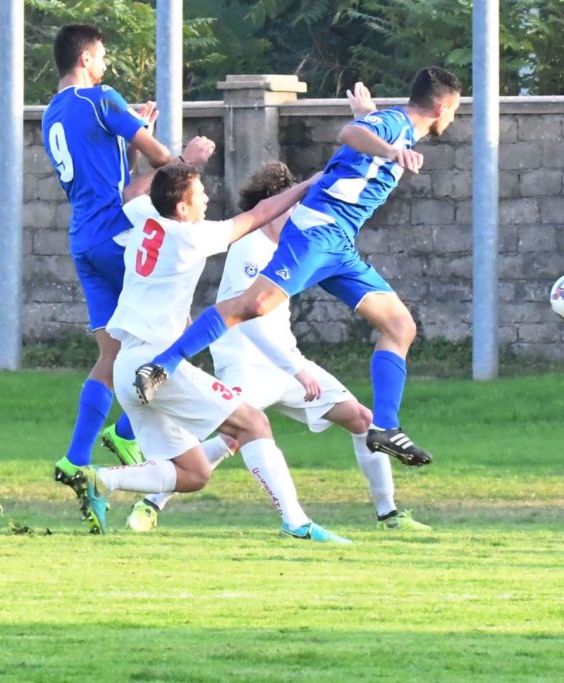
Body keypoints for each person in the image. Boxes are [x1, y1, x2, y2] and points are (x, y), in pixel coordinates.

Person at [132, 67, 463, 468]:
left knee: (400, 326)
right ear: (443, 105)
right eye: (455, 110)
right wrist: (382, 141)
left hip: (340, 244)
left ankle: (385, 428)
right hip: (317, 231)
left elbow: (359, 141)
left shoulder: (388, 125)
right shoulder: (394, 124)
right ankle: (161, 365)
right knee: (252, 306)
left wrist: (365, 119)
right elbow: (348, 136)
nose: (453, 118)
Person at [125, 161, 431, 533]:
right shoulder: (250, 247)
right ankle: (151, 500)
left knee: (362, 419)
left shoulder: (297, 245)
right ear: (278, 206)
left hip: (287, 364)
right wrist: (295, 369)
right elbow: (246, 317)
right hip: (246, 363)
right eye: (295, 208)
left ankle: (389, 514)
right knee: (233, 437)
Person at [63, 162, 350, 544]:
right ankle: (296, 522)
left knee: (194, 472)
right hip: (157, 364)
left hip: (126, 364)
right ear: (181, 208)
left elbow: (134, 195)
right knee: (253, 424)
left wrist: (172, 161)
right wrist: (308, 185)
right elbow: (258, 214)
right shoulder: (190, 237)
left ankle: (101, 480)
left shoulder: (147, 217)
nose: (208, 199)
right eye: (200, 194)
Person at [40, 24, 212, 530]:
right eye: (104, 58)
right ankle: (125, 430)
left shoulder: (54, 111)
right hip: (118, 234)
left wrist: (130, 135)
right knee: (177, 324)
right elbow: (163, 168)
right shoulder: (101, 98)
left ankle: (76, 459)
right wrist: (191, 161)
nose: (106, 67)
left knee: (113, 355)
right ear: (89, 57)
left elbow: (117, 176)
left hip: (85, 239)